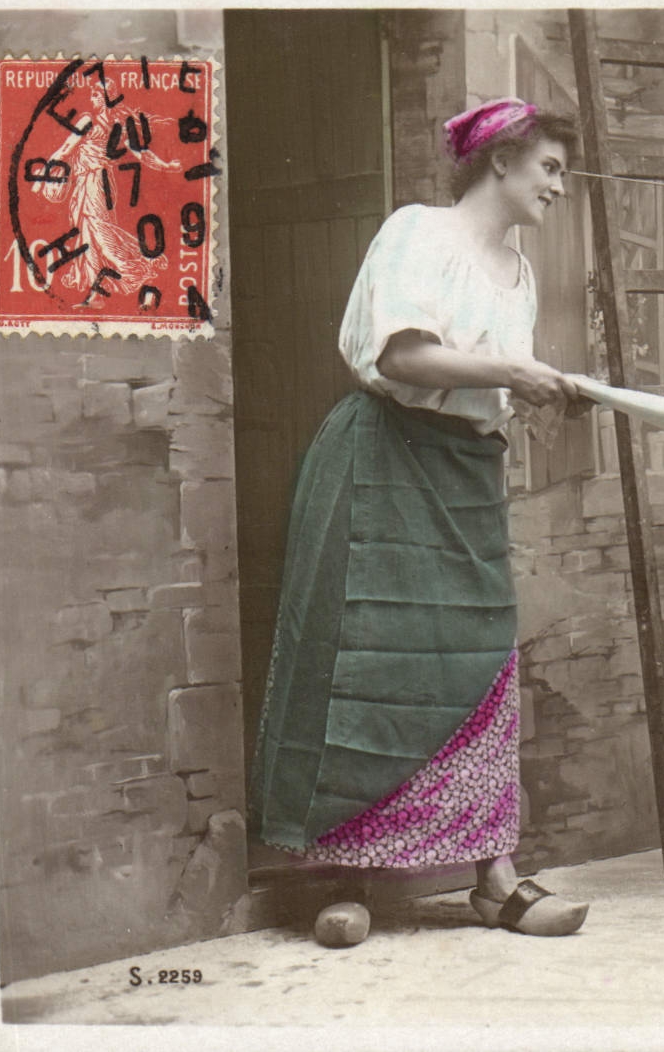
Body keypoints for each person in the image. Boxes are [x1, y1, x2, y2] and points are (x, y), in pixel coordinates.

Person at [250, 96, 593, 944]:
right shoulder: (418, 233)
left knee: (480, 662)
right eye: (550, 167)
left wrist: (536, 394)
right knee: (374, 660)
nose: (559, 186)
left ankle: (496, 882)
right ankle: (348, 880)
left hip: (465, 473)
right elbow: (404, 355)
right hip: (384, 464)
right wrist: (514, 369)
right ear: (501, 160)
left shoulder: (519, 271)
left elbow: (489, 381)